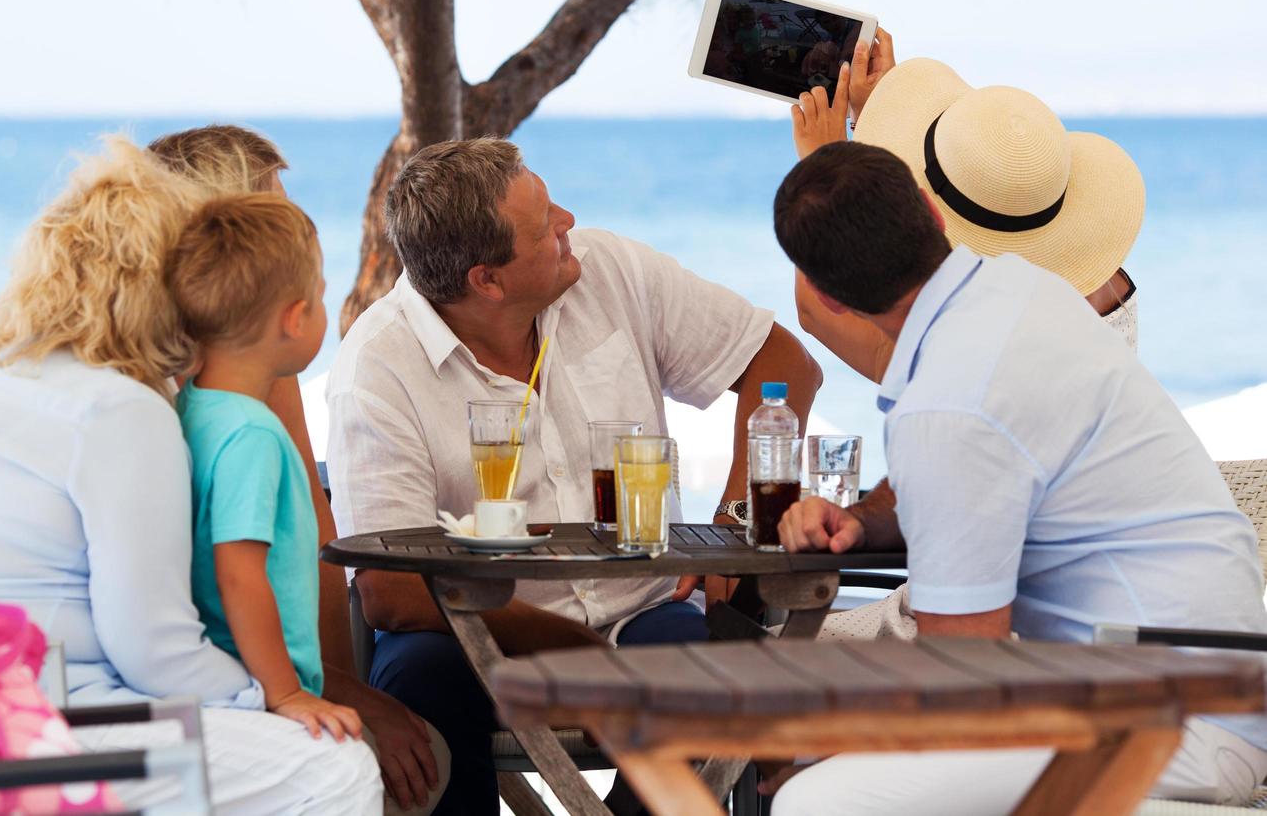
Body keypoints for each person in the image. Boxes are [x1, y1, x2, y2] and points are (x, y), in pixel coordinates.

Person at [0, 139, 382, 814]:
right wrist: (270, 698)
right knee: (333, 770)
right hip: (23, 720)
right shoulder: (118, 411)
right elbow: (156, 650)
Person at [768, 140, 1267, 812]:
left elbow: (963, 674)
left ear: (826, 298)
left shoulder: (950, 403)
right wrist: (868, 520)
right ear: (932, 213)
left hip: (1169, 722)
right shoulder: (1020, 290)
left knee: (817, 800)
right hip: (1203, 689)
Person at [327, 137, 823, 812]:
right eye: (543, 226)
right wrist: (570, 644)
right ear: (487, 280)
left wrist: (731, 522)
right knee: (420, 686)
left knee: (698, 684)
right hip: (472, 638)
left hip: (644, 611)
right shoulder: (379, 365)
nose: (568, 220)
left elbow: (782, 366)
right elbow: (390, 592)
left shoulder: (610, 269)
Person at [149, 126, 445, 813]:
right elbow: (242, 569)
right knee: (422, 765)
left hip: (242, 684)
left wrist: (343, 686)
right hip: (232, 696)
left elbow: (306, 536)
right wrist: (302, 692)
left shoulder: (208, 391)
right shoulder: (229, 413)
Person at [788, 45, 1143, 381]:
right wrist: (870, 119)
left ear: (932, 212)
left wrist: (825, 165)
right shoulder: (1104, 282)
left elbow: (818, 311)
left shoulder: (976, 327)